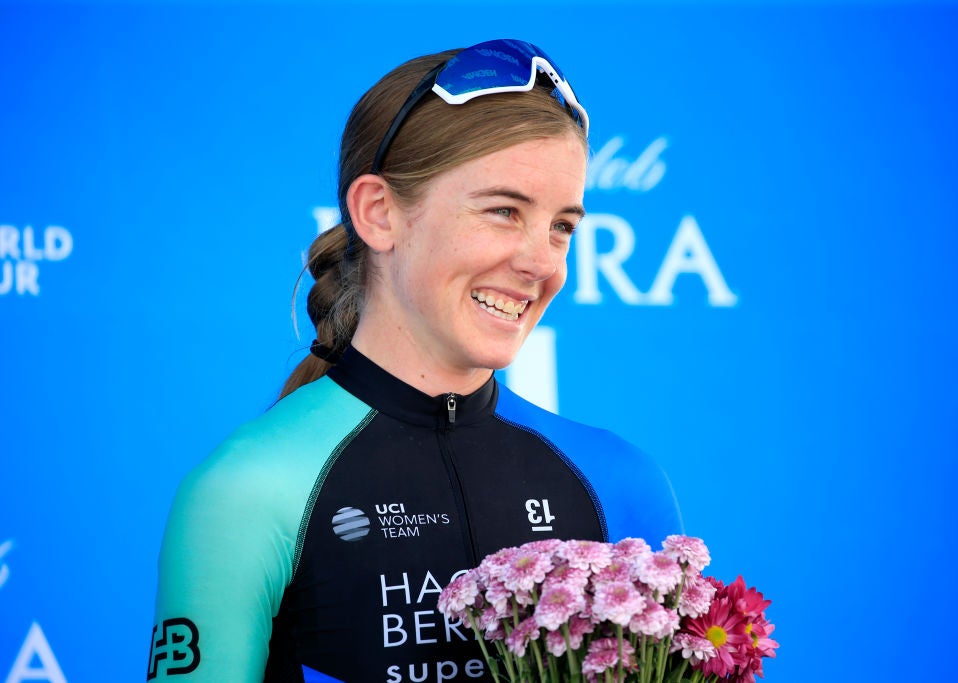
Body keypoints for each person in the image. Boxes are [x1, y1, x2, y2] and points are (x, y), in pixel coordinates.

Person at [149, 39, 682, 683]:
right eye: (503, 211)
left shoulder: (619, 481)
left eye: (561, 226)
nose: (543, 262)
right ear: (378, 212)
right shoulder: (248, 492)